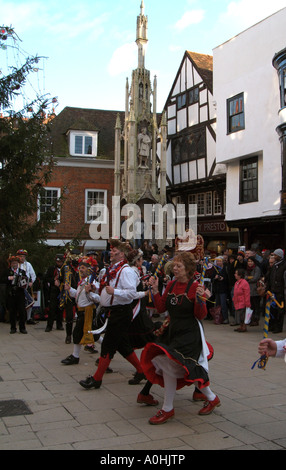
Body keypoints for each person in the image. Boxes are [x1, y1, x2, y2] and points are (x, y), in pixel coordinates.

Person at [140, 252, 220, 425]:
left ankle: (168, 408)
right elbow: (161, 308)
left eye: (179, 266)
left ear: (188, 269)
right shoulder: (171, 284)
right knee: (168, 363)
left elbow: (201, 315)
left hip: (189, 333)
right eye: (174, 265)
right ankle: (211, 398)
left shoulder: (195, 286)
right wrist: (154, 291)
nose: (174, 268)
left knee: (174, 364)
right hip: (173, 330)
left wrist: (201, 300)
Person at [79, 239, 146, 389]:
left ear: (122, 254)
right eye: (111, 250)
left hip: (121, 313)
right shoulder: (111, 270)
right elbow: (106, 289)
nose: (111, 252)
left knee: (108, 345)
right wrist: (94, 289)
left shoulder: (126, 270)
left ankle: (97, 378)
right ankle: (142, 371)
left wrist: (114, 291)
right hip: (113, 311)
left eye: (115, 251)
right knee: (123, 346)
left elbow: (131, 293)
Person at [61, 259, 100, 365]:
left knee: (79, 333)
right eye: (80, 268)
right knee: (93, 334)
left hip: (88, 312)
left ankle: (75, 356)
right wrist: (70, 289)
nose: (80, 270)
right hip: (82, 312)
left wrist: (90, 293)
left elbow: (99, 298)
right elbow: (78, 296)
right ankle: (108, 348)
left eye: (83, 268)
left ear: (89, 269)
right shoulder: (82, 282)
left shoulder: (93, 283)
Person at [5, 256, 28, 334]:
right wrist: (9, 278)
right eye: (13, 263)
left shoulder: (22, 271)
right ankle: (13, 328)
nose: (14, 264)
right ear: (11, 264)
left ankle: (22, 328)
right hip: (11, 293)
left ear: (18, 264)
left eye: (16, 263)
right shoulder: (7, 271)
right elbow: (2, 279)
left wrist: (24, 283)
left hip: (20, 293)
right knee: (12, 311)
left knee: (22, 311)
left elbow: (26, 280)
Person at [266, 248, 286, 333]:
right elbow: (270, 278)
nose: (274, 256)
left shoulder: (284, 266)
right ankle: (272, 325)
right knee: (272, 310)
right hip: (273, 291)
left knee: (279, 310)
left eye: (276, 255)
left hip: (280, 292)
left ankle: (278, 327)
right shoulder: (274, 266)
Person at [44, 255, 65, 333]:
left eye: (60, 261)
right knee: (52, 308)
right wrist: (53, 281)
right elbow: (46, 278)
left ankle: (59, 324)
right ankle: (49, 325)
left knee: (60, 308)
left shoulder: (65, 269)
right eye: (57, 261)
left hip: (62, 290)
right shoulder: (52, 268)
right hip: (53, 290)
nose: (59, 263)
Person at [16, 249, 36, 323]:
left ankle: (28, 318)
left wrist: (31, 282)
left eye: (23, 256)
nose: (22, 258)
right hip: (18, 286)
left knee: (29, 302)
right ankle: (20, 317)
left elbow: (33, 275)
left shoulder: (28, 264)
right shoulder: (16, 264)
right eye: (20, 256)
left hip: (26, 285)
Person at [245, 256, 261, 326]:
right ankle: (250, 319)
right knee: (250, 306)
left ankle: (256, 320)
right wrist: (249, 278)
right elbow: (245, 277)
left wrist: (248, 278)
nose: (250, 263)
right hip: (248, 290)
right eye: (248, 261)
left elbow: (255, 278)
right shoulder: (247, 269)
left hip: (255, 290)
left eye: (251, 261)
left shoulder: (257, 268)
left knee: (256, 306)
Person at [212, 256, 229, 324]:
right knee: (217, 305)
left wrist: (223, 278)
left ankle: (225, 318)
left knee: (223, 304)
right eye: (217, 261)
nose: (218, 262)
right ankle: (218, 318)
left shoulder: (226, 268)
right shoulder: (215, 269)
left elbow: (228, 279)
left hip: (223, 289)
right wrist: (215, 278)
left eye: (220, 261)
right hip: (217, 289)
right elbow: (212, 279)